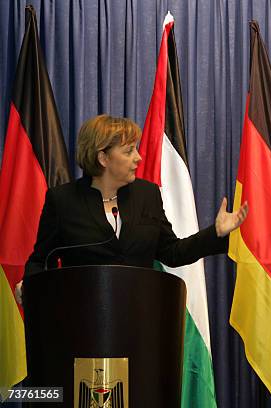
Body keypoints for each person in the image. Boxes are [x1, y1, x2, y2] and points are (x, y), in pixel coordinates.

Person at [19, 114, 247, 287]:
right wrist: (29, 286)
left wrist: (216, 232)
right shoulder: (63, 201)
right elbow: (41, 261)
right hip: (83, 325)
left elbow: (172, 252)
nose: (138, 158)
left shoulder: (147, 195)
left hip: (140, 321)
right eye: (128, 151)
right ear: (103, 158)